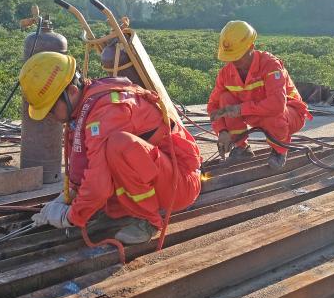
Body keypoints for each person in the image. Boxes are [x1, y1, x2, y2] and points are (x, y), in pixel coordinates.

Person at [19, 52, 202, 245]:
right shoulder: (84, 109)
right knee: (106, 156)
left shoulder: (107, 111)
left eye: (50, 109)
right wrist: (67, 197)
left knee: (118, 145)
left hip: (180, 184)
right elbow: (85, 169)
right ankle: (120, 212)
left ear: (72, 91)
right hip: (161, 176)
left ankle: (149, 220)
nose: (50, 117)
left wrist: (71, 216)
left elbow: (98, 184)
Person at [207, 20, 311, 170]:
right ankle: (241, 148)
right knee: (225, 98)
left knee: (275, 113)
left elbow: (277, 105)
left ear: (251, 47)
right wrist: (222, 132)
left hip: (288, 115)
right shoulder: (225, 74)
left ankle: (279, 150)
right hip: (255, 114)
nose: (234, 61)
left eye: (238, 56)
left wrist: (240, 109)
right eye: (231, 57)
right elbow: (214, 106)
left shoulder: (270, 65)